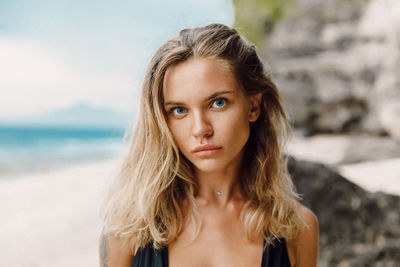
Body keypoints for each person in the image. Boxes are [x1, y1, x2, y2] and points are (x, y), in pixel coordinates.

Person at [99, 23, 318, 267]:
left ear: (253, 107)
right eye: (179, 110)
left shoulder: (298, 229)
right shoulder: (127, 229)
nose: (200, 129)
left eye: (218, 103)